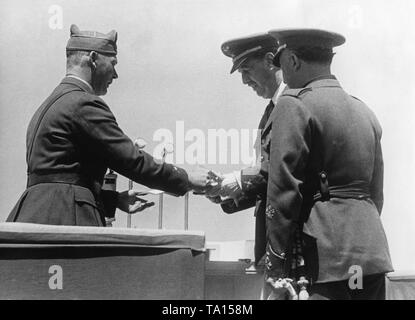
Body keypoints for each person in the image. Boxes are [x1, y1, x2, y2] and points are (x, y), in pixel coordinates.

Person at [7, 24, 210, 226]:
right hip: (66, 218)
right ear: (93, 59)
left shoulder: (51, 103)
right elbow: (131, 160)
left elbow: (58, 179)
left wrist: (113, 200)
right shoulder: (83, 103)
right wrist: (186, 178)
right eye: (113, 63)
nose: (115, 74)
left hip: (33, 213)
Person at [262, 28, 393, 299]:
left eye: (282, 64)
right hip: (369, 256)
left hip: (324, 259)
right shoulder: (365, 111)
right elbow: (376, 194)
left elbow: (284, 192)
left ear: (293, 61)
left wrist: (275, 267)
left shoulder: (293, 104)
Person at [207, 33, 285, 279]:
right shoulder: (272, 108)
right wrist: (227, 193)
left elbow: (280, 169)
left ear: (270, 60)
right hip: (272, 243)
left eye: (247, 69)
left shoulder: (292, 105)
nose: (244, 81)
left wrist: (236, 181)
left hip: (288, 245)